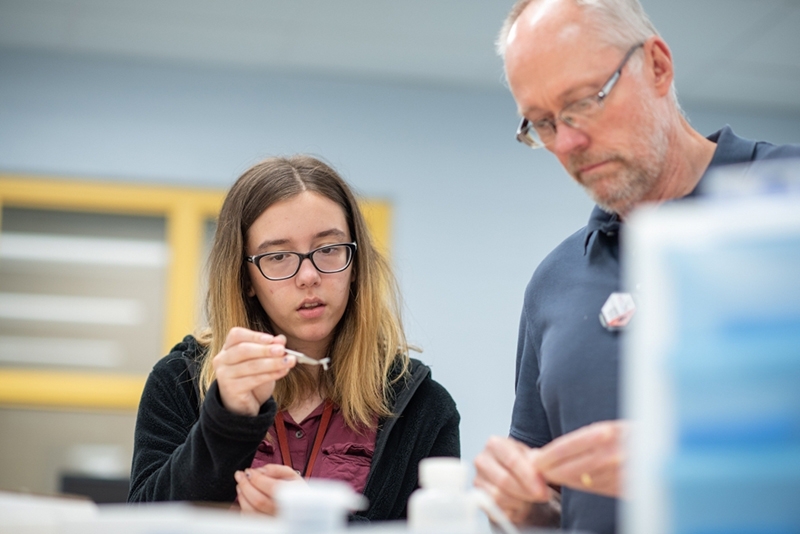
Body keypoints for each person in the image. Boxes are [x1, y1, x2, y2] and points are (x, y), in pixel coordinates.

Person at [473, 1, 800, 533]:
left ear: (657, 66)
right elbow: (553, 512)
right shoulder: (555, 281)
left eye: (584, 102)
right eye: (543, 124)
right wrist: (522, 510)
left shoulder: (787, 203)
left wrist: (686, 464)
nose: (570, 142)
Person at [128, 155, 460, 521]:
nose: (308, 276)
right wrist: (227, 420)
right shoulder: (179, 382)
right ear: (245, 279)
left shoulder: (424, 407)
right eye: (279, 256)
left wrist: (317, 521)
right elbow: (144, 524)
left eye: (329, 250)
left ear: (357, 264)